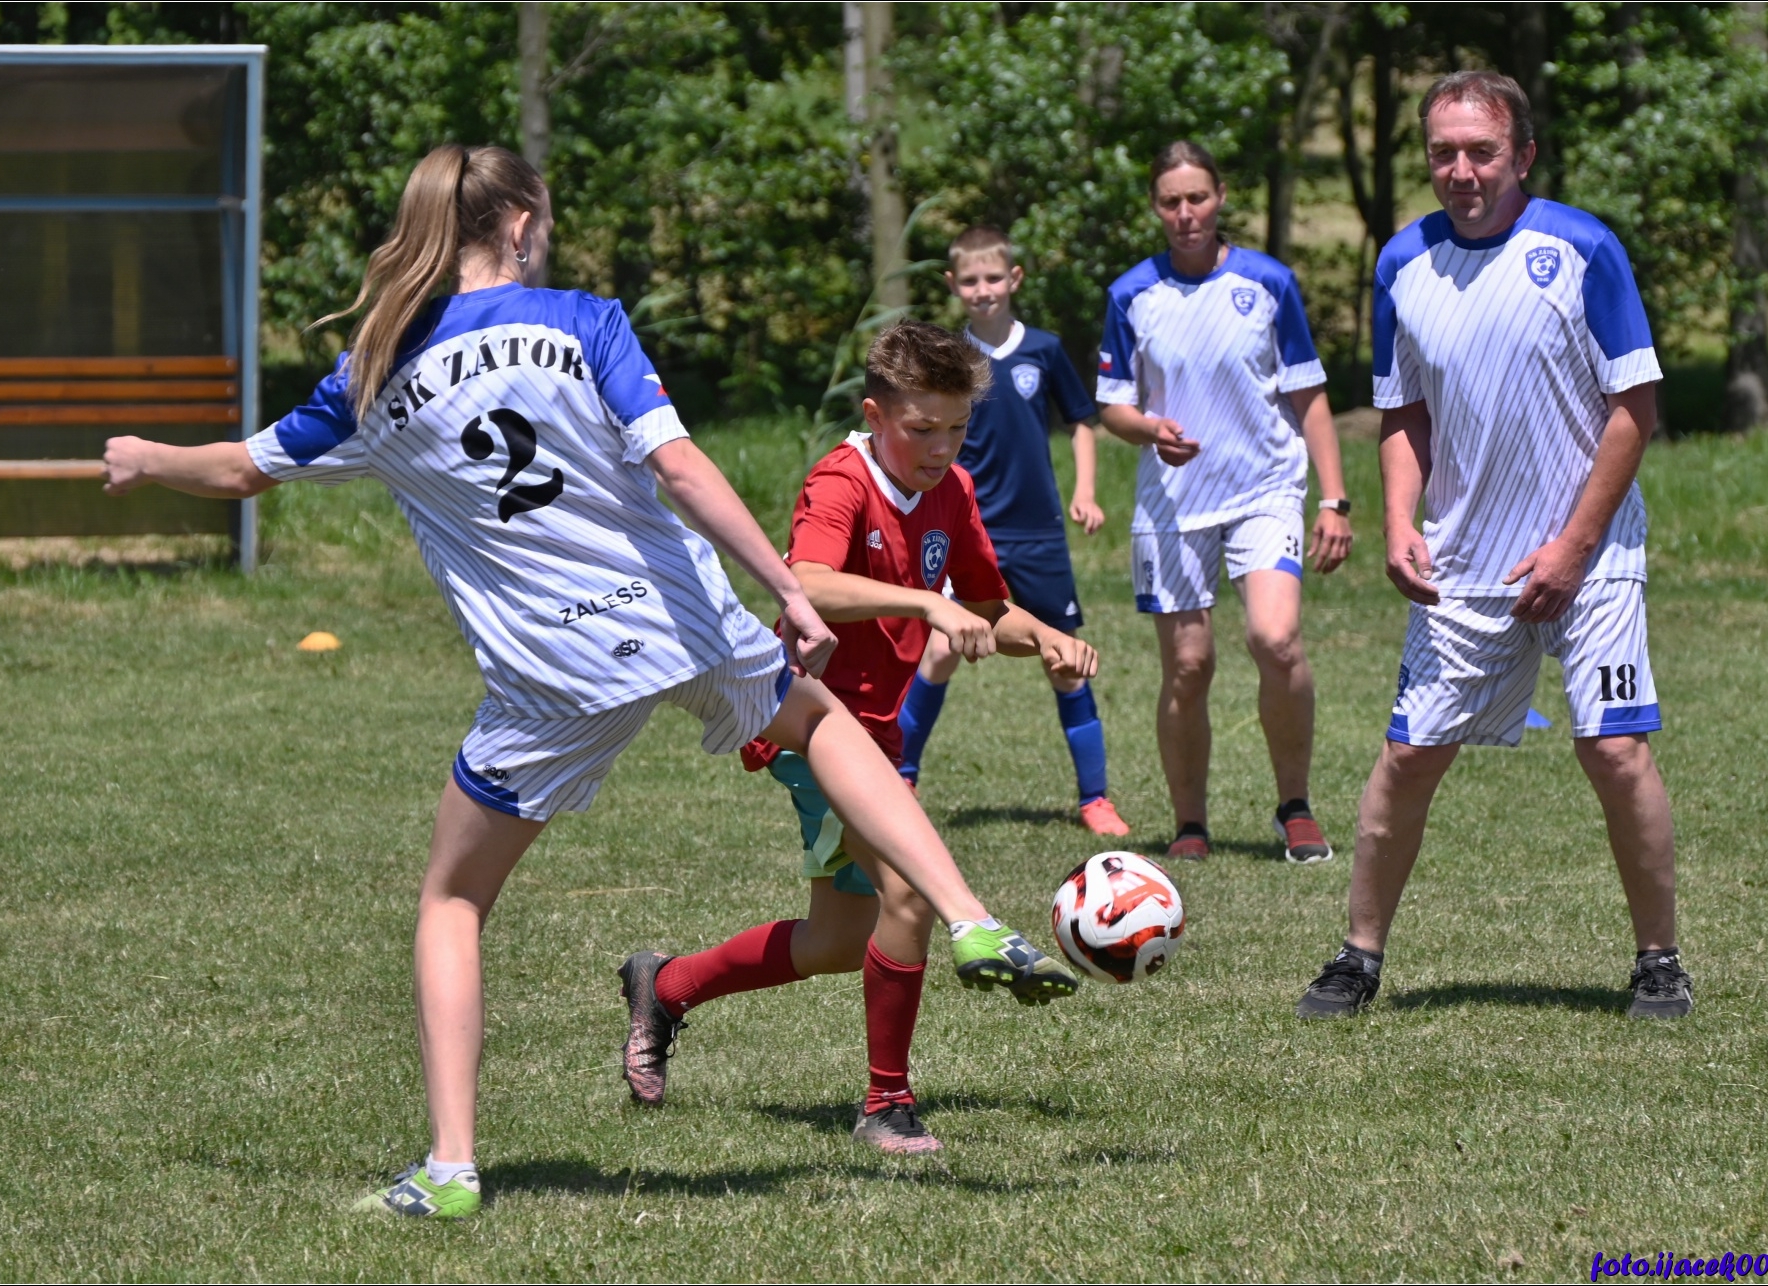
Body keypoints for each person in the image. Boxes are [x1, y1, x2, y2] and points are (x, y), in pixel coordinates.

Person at [98, 145, 1077, 1219]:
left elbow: (242, 469)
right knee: (819, 719)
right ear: (521, 225)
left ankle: (452, 1168)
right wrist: (782, 589)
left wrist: (149, 458)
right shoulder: (583, 321)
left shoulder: (375, 368)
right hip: (674, 616)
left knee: (453, 898)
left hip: (548, 670)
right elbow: (680, 466)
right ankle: (967, 913)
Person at [619, 319, 1093, 1156]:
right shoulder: (842, 479)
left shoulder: (953, 489)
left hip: (878, 739)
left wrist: (1046, 637)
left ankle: (667, 984)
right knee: (908, 896)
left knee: (838, 940)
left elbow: (986, 609)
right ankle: (887, 1104)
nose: (941, 448)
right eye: (922, 428)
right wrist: (926, 603)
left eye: (958, 429)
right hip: (807, 721)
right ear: (875, 415)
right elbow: (808, 583)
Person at [1294, 72, 1692, 1021]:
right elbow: (1403, 414)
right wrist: (1400, 522)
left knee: (1616, 751)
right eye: (1443, 152)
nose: (1462, 170)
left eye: (1482, 151)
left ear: (1523, 156)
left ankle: (1659, 962)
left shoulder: (1583, 249)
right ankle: (1356, 959)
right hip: (1465, 564)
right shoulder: (1403, 262)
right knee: (1408, 758)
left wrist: (1572, 549)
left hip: (1591, 557)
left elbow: (1634, 409)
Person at [1095, 140, 1353, 864]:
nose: (1186, 214)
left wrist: (1334, 499)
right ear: (1156, 208)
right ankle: (1190, 825)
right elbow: (1112, 406)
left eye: (1197, 198)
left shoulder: (1268, 283)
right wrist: (1149, 429)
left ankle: (1295, 807)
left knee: (1275, 638)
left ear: (1221, 198)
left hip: (1265, 489)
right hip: (1172, 505)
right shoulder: (1131, 294)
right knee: (1188, 664)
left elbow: (1309, 396)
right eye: (1170, 201)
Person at [893, 226, 1130, 837]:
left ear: (1014, 279)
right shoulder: (949, 359)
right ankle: (901, 776)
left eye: (993, 277)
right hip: (968, 531)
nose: (983, 289)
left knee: (1063, 658)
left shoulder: (1044, 350)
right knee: (942, 648)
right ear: (953, 285)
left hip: (1039, 532)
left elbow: (1081, 422)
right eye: (970, 280)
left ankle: (1095, 799)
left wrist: (1084, 492)